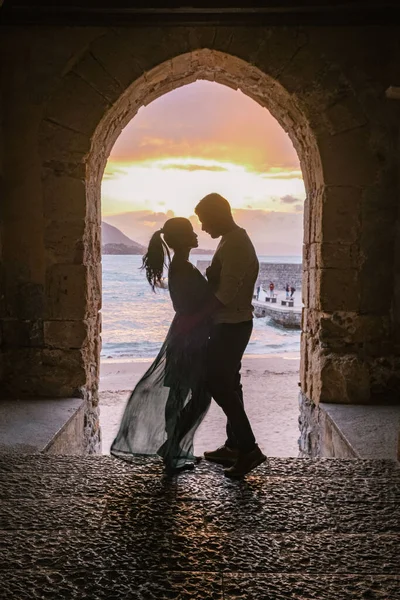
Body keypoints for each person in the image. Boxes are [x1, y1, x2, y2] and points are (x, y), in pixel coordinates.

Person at [110, 217, 216, 475]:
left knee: (183, 395)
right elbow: (190, 309)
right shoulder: (183, 269)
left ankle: (172, 446)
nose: (196, 234)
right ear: (181, 239)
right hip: (188, 340)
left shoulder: (182, 266)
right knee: (191, 396)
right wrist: (216, 301)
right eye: (190, 231)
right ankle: (172, 448)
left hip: (186, 337)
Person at [194, 192, 267, 477]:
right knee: (230, 384)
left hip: (231, 325)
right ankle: (234, 445)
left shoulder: (236, 244)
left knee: (217, 384)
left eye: (204, 220)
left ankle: (249, 449)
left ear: (219, 215)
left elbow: (225, 294)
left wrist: (195, 318)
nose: (202, 228)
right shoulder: (230, 240)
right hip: (229, 324)